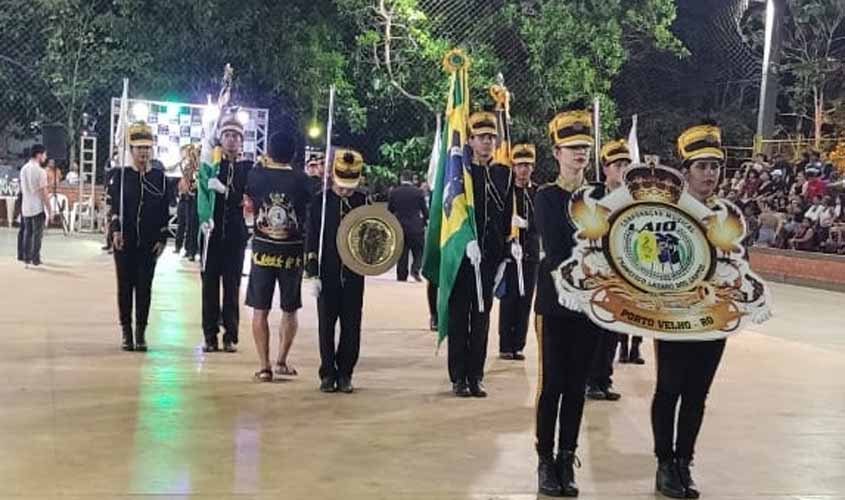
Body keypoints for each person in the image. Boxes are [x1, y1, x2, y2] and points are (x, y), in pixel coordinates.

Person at [651, 121, 730, 499]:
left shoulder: (730, 214)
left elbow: (738, 264)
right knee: (669, 389)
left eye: (715, 166)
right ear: (686, 171)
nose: (710, 174)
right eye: (702, 166)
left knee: (697, 394)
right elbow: (656, 263)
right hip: (674, 315)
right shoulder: (667, 213)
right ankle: (664, 463)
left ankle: (685, 461)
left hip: (713, 317)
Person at [534, 106, 600, 497]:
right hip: (556, 304)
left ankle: (566, 457)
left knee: (576, 386)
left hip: (591, 306)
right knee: (553, 384)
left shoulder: (601, 198)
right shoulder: (547, 197)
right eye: (572, 147)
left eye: (585, 148)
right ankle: (544, 460)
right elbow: (557, 249)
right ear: (556, 151)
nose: (580, 154)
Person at [447, 111, 512, 398]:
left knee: (483, 317)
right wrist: (463, 243)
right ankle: (459, 376)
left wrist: (506, 253)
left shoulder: (502, 174)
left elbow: (507, 214)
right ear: (470, 140)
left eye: (492, 137)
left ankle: (476, 375)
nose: (488, 142)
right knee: (460, 317)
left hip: (489, 257)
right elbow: (451, 212)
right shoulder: (460, 172)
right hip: (463, 257)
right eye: (482, 137)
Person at [244, 129, 313, 382]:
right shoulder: (303, 179)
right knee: (290, 309)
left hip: (262, 251)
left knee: (259, 310)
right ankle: (281, 360)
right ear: (293, 153)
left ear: (269, 151)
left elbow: (247, 195)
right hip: (292, 252)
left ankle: (264, 367)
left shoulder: (256, 174)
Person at [305, 148, 369, 393]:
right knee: (326, 326)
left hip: (354, 273)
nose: (346, 192)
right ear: (332, 177)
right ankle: (327, 373)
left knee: (352, 326)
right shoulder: (320, 201)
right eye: (342, 187)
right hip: (327, 271)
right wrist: (312, 271)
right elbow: (312, 235)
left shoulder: (363, 201)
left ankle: (346, 374)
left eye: (350, 187)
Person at [107, 122, 169, 351]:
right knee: (125, 287)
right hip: (124, 241)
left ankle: (141, 332)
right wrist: (114, 230)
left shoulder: (160, 178)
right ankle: (126, 331)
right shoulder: (120, 176)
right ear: (130, 149)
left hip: (149, 243)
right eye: (138, 147)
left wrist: (163, 238)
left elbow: (164, 210)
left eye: (147, 147)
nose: (143, 152)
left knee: (144, 287)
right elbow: (112, 206)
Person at [197, 110, 252, 353]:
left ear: (242, 141)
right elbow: (202, 192)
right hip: (211, 233)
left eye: (235, 136)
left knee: (232, 287)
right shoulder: (212, 165)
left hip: (235, 236)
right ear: (220, 138)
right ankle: (210, 335)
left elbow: (248, 202)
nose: (231, 140)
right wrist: (204, 218)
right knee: (209, 286)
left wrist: (227, 193)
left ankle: (231, 334)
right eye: (227, 135)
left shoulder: (247, 169)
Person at [585, 139, 631, 401]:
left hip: (622, 275)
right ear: (606, 169)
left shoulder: (632, 199)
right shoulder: (593, 196)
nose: (623, 170)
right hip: (597, 272)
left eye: (626, 164)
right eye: (618, 165)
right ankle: (590, 380)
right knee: (594, 331)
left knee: (614, 330)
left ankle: (604, 378)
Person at [497, 143, 538, 361]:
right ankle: (505, 345)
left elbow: (542, 223)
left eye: (528, 166)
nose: (524, 170)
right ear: (513, 167)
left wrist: (527, 224)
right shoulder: (507, 192)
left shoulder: (537, 192)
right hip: (510, 255)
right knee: (509, 300)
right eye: (520, 165)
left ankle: (518, 345)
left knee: (525, 301)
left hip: (530, 255)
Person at [388, 169, 428, 282]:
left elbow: (390, 211)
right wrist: (424, 221)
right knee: (419, 250)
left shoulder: (394, 192)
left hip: (399, 226)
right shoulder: (418, 192)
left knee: (402, 253)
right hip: (416, 227)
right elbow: (425, 211)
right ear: (412, 179)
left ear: (401, 178)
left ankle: (401, 276)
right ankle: (415, 269)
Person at [19, 144, 51, 267]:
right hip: (37, 206)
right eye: (44, 154)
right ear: (39, 155)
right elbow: (44, 192)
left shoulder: (23, 169)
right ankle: (35, 258)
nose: (45, 157)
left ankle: (26, 259)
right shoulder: (41, 171)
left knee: (27, 232)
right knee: (37, 234)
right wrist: (49, 209)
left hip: (26, 205)